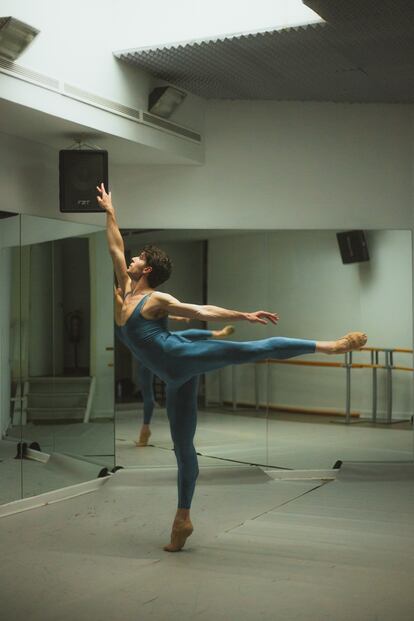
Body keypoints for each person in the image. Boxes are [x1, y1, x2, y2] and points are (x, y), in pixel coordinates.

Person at [98, 183, 367, 553]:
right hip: (174, 378)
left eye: (137, 258)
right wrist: (110, 210)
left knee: (250, 350)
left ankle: (331, 346)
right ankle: (183, 518)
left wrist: (243, 314)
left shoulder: (155, 298)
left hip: (180, 358)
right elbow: (114, 245)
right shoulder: (126, 288)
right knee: (182, 447)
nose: (129, 260)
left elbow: (200, 312)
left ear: (146, 269)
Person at [114, 285, 235, 446]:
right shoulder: (124, 315)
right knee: (149, 395)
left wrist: (175, 317)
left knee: (181, 336)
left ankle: (146, 428)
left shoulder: (134, 311)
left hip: (147, 353)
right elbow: (126, 308)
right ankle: (146, 428)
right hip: (145, 356)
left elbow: (149, 312)